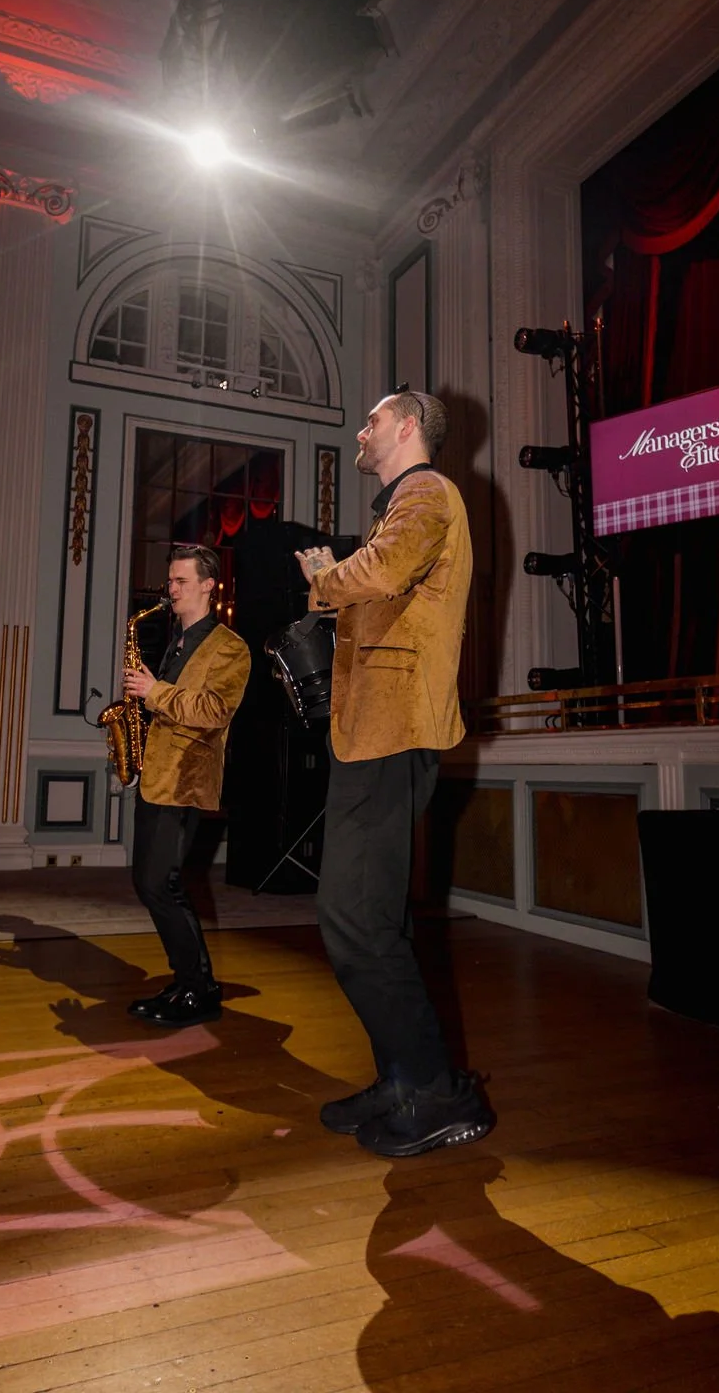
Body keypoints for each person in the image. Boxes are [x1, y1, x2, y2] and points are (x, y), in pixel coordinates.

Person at [295, 389, 494, 1157]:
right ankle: (403, 1078)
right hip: (373, 733)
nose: (360, 428)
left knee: (351, 920)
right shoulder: (402, 500)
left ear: (407, 426)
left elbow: (379, 574)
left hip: (392, 732)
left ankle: (437, 1092)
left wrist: (325, 575)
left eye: (373, 419)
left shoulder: (426, 492)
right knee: (371, 918)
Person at [121, 544, 251, 1027]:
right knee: (150, 882)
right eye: (169, 581)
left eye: (180, 581)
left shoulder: (229, 647)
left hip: (184, 779)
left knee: (161, 884)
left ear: (207, 585)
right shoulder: (176, 640)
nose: (169, 589)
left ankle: (198, 989)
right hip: (157, 775)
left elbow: (215, 712)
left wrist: (155, 692)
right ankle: (190, 982)